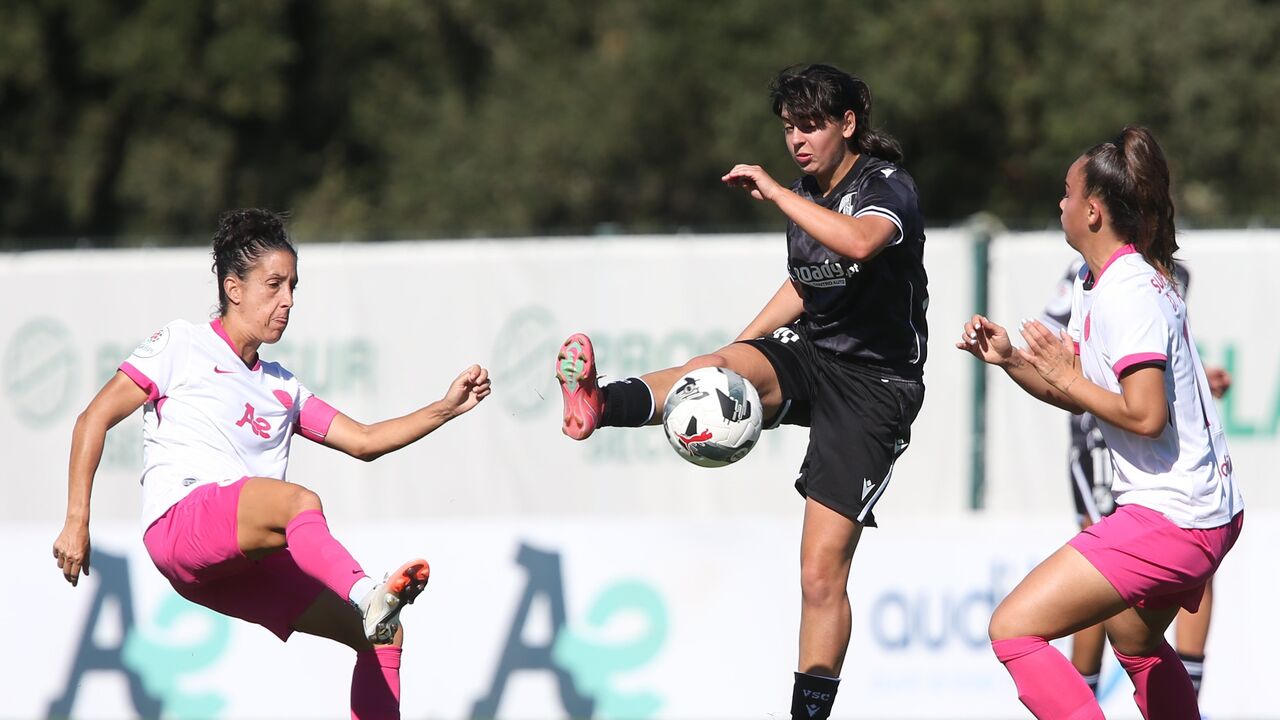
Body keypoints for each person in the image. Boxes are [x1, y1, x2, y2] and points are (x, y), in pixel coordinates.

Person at [555, 63, 927, 720]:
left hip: (876, 386)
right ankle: (599, 402)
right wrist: (736, 350)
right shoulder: (805, 192)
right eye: (788, 127)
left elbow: (861, 243)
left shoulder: (884, 185)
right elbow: (807, 282)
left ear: (848, 123)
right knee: (712, 370)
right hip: (817, 354)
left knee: (818, 574)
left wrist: (780, 195)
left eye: (810, 124)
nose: (797, 140)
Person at [52, 209, 492, 720]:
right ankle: (364, 591)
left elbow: (366, 441)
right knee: (298, 504)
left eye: (293, 286)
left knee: (383, 633)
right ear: (233, 288)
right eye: (274, 285)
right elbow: (93, 419)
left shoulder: (282, 387)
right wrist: (77, 521)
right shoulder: (181, 344)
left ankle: (370, 608)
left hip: (239, 561)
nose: (287, 301)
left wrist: (445, 407)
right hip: (180, 525)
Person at [958, 126, 1244, 720]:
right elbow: (1083, 394)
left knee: (1013, 628)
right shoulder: (1104, 284)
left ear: (1092, 210)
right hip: (1201, 510)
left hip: (1173, 516)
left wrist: (1071, 380)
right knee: (1135, 641)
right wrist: (1012, 359)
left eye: (1066, 192)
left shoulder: (1128, 293)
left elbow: (1144, 414)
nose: (1058, 203)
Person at [1042, 260, 1232, 700]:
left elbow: (1161, 349)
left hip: (1166, 449)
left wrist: (1202, 377)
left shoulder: (1176, 271)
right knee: (1096, 564)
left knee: (1197, 564)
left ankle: (1186, 698)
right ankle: (1086, 695)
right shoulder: (1086, 270)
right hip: (1103, 438)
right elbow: (1057, 343)